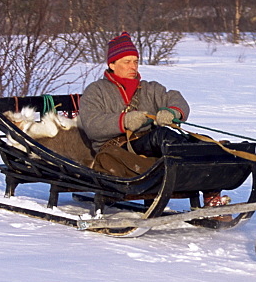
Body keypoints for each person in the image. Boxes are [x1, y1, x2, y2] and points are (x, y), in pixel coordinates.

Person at [80, 31, 228, 206]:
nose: (133, 67)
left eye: (135, 61)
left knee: (198, 141)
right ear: (112, 64)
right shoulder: (95, 90)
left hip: (151, 144)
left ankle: (212, 190)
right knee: (162, 136)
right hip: (115, 149)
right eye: (126, 62)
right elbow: (92, 125)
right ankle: (204, 157)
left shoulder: (150, 88)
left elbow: (175, 98)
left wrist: (173, 112)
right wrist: (124, 121)